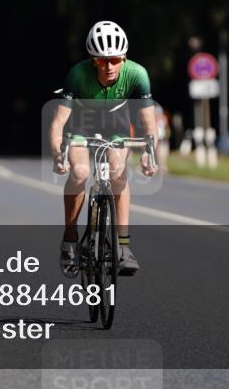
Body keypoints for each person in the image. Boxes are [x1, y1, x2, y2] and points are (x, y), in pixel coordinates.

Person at [49, 21, 158, 276]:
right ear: (92, 60)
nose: (108, 66)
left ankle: (123, 247)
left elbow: (149, 123)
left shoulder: (138, 74)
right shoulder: (78, 74)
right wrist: (58, 153)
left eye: (115, 60)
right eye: (101, 61)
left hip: (116, 123)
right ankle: (70, 238)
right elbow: (58, 123)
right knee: (80, 172)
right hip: (81, 122)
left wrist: (149, 154)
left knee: (118, 171)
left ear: (124, 57)